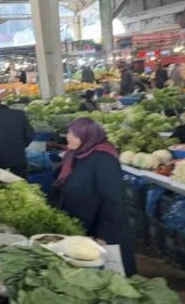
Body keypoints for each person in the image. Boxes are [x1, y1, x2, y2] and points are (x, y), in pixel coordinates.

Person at [55, 118, 136, 276]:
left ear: (87, 136)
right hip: (82, 225)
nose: (68, 137)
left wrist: (104, 234)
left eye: (73, 134)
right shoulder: (75, 155)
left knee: (111, 277)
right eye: (69, 133)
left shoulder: (104, 160)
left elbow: (113, 200)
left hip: (102, 230)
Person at [0, 96, 35, 179]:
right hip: (19, 158)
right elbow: (30, 134)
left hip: (0, 162)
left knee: (5, 187)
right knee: (22, 185)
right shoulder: (19, 114)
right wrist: (20, 145)